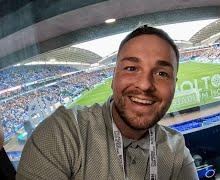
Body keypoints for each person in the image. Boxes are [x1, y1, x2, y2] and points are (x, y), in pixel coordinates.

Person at [16, 25, 199, 180]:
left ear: (174, 85)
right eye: (131, 68)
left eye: (162, 73)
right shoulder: (62, 134)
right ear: (113, 78)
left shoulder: (177, 153)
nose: (145, 85)